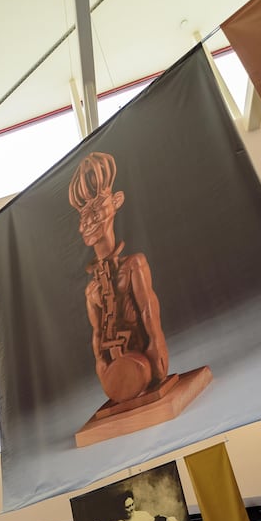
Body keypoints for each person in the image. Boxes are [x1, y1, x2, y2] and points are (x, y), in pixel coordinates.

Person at [71, 151, 171, 406]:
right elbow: (96, 333)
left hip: (141, 357)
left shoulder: (134, 264)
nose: (89, 221)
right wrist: (101, 363)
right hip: (119, 363)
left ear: (116, 201)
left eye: (96, 208)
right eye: (83, 216)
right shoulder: (92, 290)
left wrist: (156, 346)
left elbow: (149, 311)